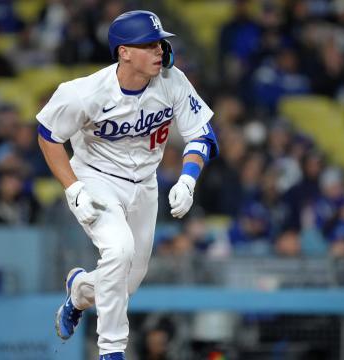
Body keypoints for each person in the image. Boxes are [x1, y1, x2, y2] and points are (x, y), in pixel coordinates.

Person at [36, 10, 218, 360]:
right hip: (96, 178)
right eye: (149, 45)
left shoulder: (172, 80)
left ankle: (79, 291)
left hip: (145, 184)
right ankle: (111, 352)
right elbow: (48, 136)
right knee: (118, 251)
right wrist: (74, 189)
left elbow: (202, 133)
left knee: (125, 283)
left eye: (160, 43)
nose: (159, 51)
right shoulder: (85, 92)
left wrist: (188, 179)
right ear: (124, 52)